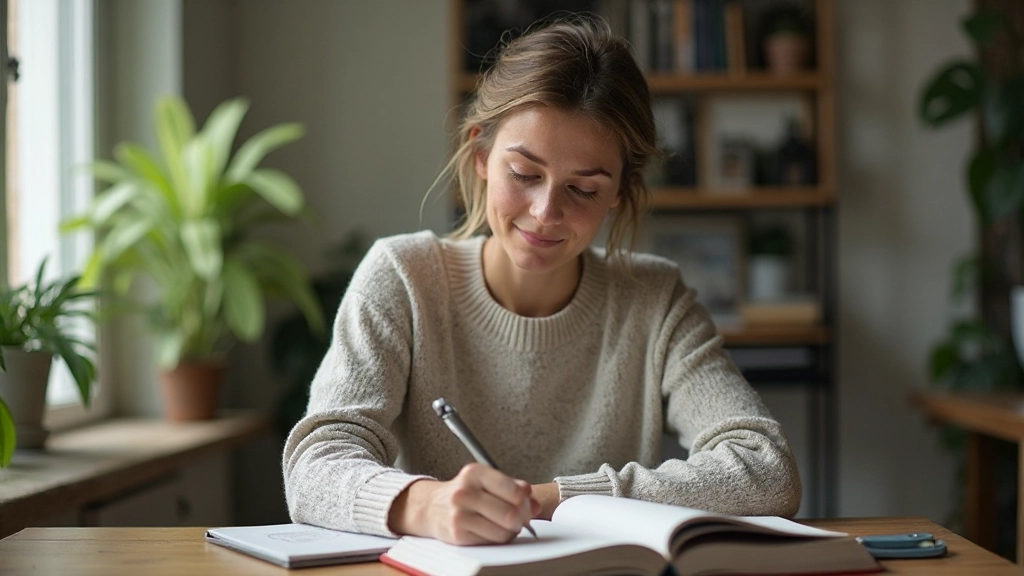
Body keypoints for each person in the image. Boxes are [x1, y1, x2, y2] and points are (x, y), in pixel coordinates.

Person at [283, 15, 801, 546]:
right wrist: (426, 505)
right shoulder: (403, 278)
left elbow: (764, 469)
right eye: (525, 175)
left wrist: (553, 500)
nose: (545, 211)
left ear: (619, 192)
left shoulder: (655, 299)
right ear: (481, 154)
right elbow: (315, 467)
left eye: (583, 189)